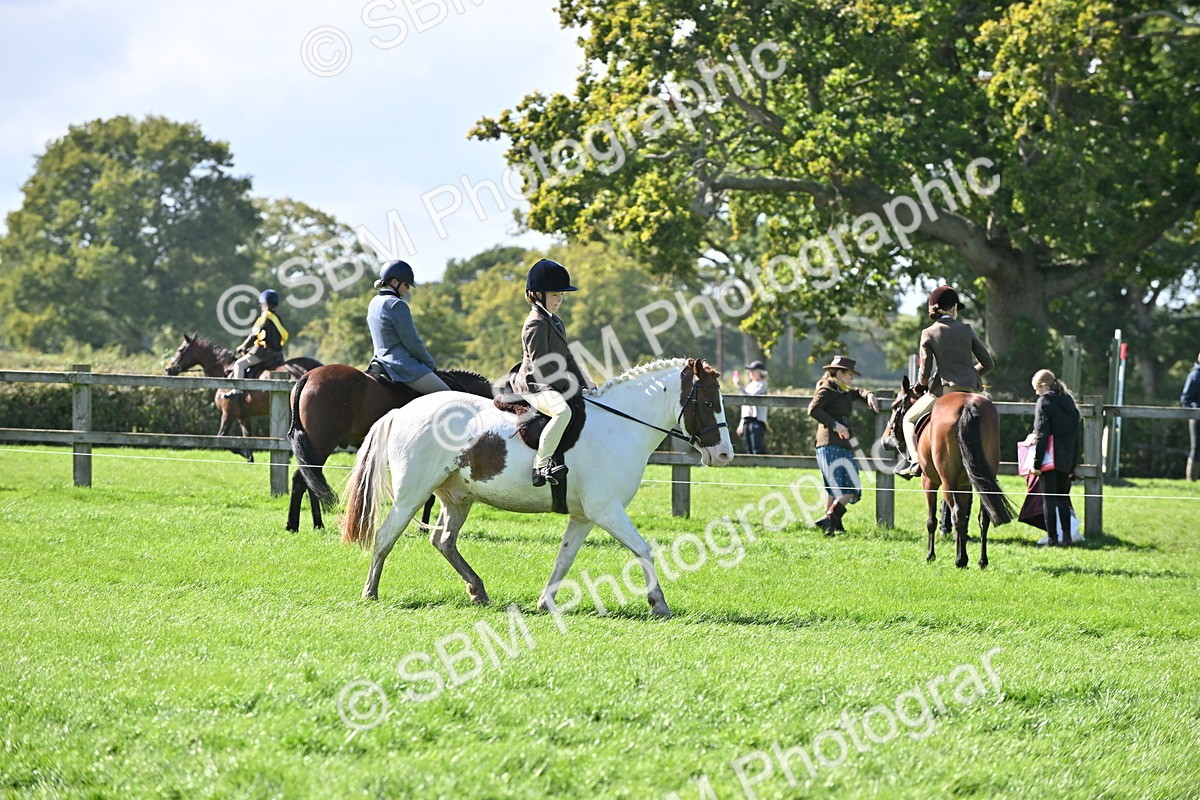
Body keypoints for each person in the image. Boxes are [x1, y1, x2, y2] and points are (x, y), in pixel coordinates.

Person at [895, 285, 995, 478]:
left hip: (944, 391)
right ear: (953, 308)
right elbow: (988, 363)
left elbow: (925, 370)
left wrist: (923, 384)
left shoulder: (929, 333)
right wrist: (970, 374)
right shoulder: (967, 329)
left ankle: (915, 461)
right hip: (972, 390)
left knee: (908, 418)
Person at [513, 258, 593, 487]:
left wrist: (586, 381)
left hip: (549, 380)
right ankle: (541, 465)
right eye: (555, 294)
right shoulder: (535, 323)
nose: (560, 299)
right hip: (534, 384)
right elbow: (540, 365)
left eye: (561, 295)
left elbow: (566, 357)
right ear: (537, 294)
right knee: (562, 412)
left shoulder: (555, 321)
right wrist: (569, 385)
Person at [807, 355, 880, 534]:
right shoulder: (826, 389)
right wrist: (835, 424)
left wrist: (868, 394)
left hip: (843, 443)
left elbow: (857, 392)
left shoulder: (843, 389)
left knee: (838, 487)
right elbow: (813, 409)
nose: (852, 377)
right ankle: (832, 519)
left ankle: (831, 524)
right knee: (849, 487)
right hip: (829, 442)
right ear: (839, 373)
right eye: (849, 374)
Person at [366, 260, 450, 394]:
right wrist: (430, 365)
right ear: (394, 282)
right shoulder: (396, 304)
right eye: (406, 284)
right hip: (400, 366)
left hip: (378, 362)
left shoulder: (374, 302)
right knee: (447, 394)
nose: (407, 289)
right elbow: (412, 343)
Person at [1030, 369, 1081, 546]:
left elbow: (1042, 433)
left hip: (1049, 457)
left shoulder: (1044, 402)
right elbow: (1076, 436)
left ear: (1044, 386)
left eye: (1037, 389)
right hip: (1066, 457)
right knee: (1062, 498)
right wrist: (1073, 464)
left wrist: (1036, 463)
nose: (1036, 393)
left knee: (1048, 499)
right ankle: (1066, 537)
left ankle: (1052, 538)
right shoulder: (1069, 403)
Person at [225, 289, 288, 401]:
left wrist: (243, 346)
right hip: (277, 354)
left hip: (264, 353)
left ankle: (237, 392)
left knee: (239, 364)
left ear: (264, 304)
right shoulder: (277, 318)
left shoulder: (265, 316)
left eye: (261, 304)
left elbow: (255, 333)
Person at [738, 360, 769, 455]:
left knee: (757, 448)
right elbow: (745, 407)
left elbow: (752, 397)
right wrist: (741, 423)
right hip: (747, 420)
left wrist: (739, 386)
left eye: (753, 370)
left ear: (760, 372)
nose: (750, 372)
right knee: (748, 448)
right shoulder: (750, 385)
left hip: (757, 419)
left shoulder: (763, 384)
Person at [1181, 353, 1200, 481]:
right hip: (1197, 417)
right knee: (1197, 448)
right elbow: (1185, 398)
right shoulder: (1195, 375)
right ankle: (1191, 479)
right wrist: (1196, 408)